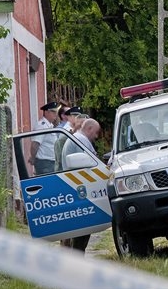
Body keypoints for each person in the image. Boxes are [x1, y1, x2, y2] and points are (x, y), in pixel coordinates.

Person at [61, 117, 101, 252]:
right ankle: (77, 255)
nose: (96, 136)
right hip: (79, 187)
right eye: (96, 132)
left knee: (76, 228)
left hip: (74, 184)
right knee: (83, 226)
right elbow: (92, 163)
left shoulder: (77, 138)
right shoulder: (81, 140)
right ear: (89, 128)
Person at [28, 101, 59, 175]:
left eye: (56, 112)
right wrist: (33, 158)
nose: (56, 114)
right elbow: (35, 144)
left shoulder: (50, 126)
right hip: (44, 163)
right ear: (46, 112)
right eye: (53, 112)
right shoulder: (42, 126)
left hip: (50, 162)